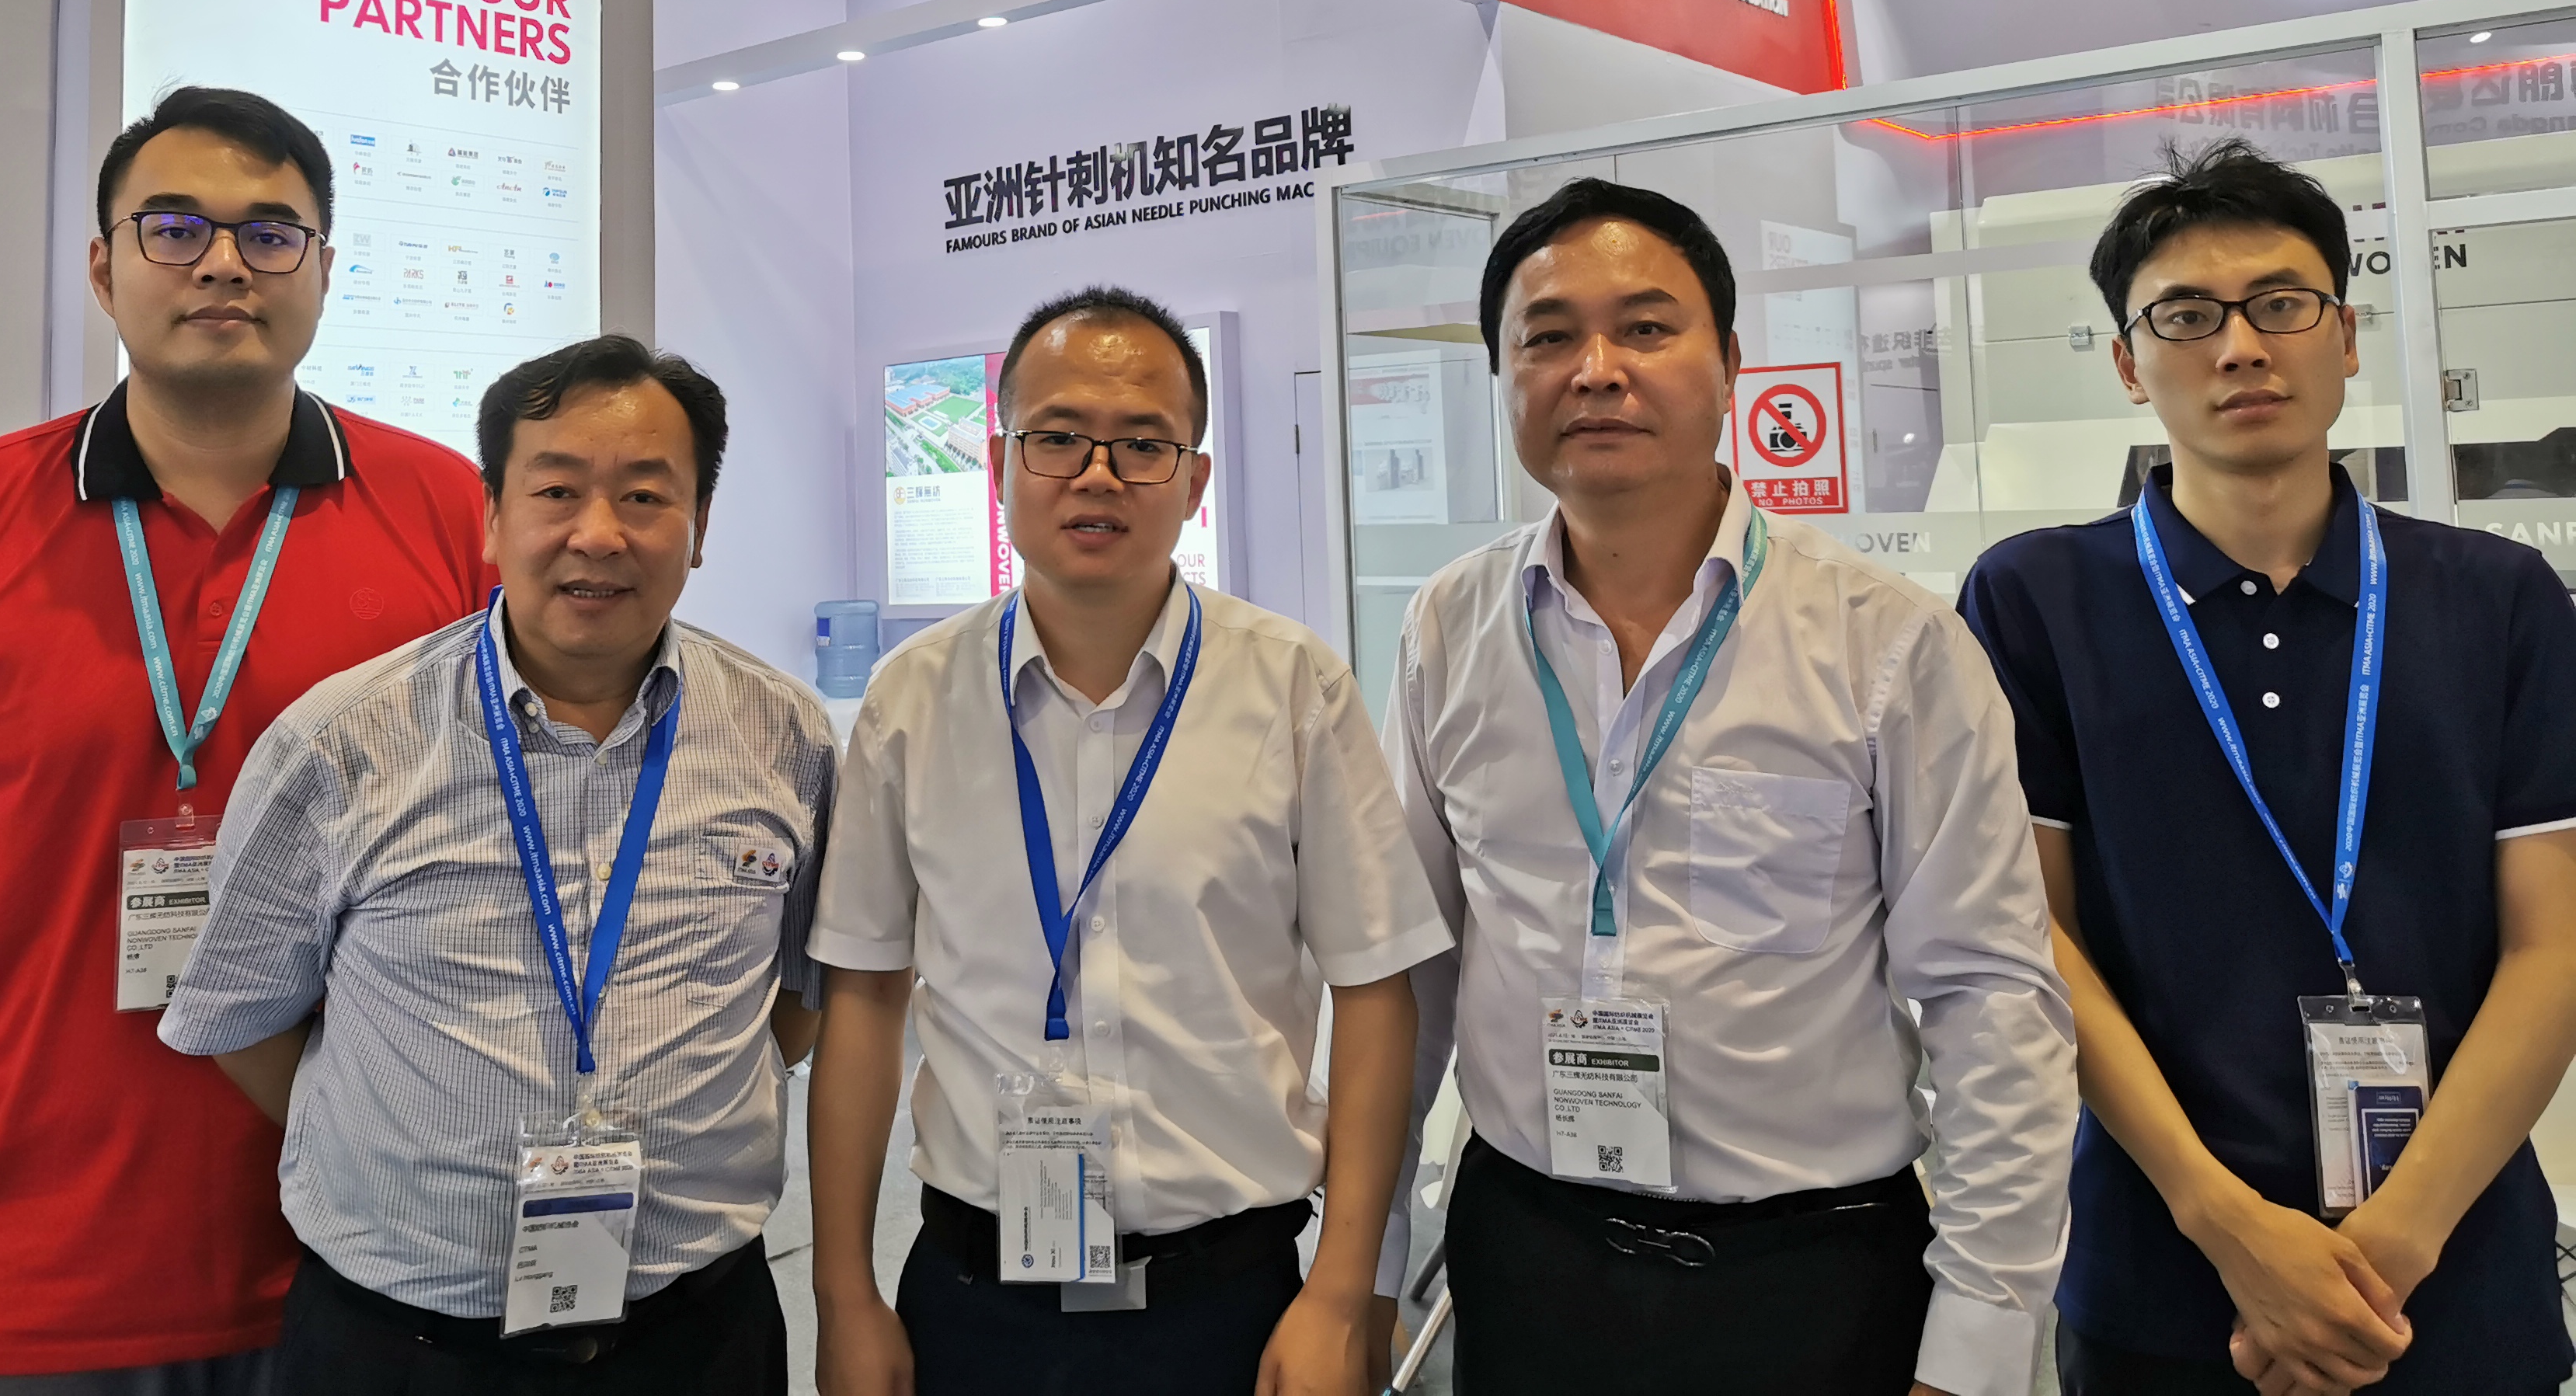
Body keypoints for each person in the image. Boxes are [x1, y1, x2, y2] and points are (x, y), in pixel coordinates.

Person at [0, 86, 493, 1393]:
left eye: (271, 232)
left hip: (367, 1251)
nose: (224, 263)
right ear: (105, 269)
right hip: (43, 1258)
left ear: (325, 270)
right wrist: (24, 912)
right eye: (175, 228)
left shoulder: (449, 513)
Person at [1381, 176, 2076, 1396]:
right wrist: (1366, 1267)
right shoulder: (1451, 625)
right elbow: (1413, 976)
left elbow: (1991, 998)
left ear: (1731, 363)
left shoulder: (1885, 642)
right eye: (1548, 337)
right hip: (1527, 1255)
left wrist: (1977, 1342)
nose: (1597, 370)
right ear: (1503, 377)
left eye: (1646, 328)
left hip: (1807, 1277)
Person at [1958, 138, 2576, 1396]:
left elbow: (2553, 944)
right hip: (2164, 1270)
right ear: (2128, 364)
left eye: (2281, 305)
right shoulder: (2036, 599)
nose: (2241, 347)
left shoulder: (2499, 596)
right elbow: (2033, 939)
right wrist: (2232, 1231)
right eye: (2187, 316)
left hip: (2455, 1270)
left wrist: (2383, 1257)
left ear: (2345, 337)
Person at [158, 334, 831, 1394]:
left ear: (700, 526)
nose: (598, 534)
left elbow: (795, 1001)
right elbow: (243, 1017)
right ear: (492, 516)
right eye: (556, 491)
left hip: (699, 1333)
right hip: (405, 1346)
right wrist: (404, 1144)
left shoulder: (786, 735)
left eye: (646, 497)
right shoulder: (341, 743)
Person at [808, 285, 1450, 1396]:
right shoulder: (911, 699)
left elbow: (1377, 990)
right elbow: (863, 996)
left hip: (1232, 1303)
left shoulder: (1292, 686)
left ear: (1194, 482)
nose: (1098, 475)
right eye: (1057, 437)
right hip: (975, 1300)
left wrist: (1343, 1291)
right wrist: (844, 1295)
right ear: (999, 462)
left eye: (1144, 445)